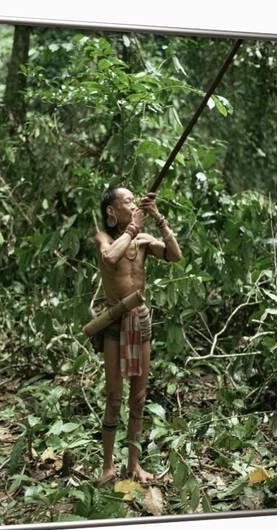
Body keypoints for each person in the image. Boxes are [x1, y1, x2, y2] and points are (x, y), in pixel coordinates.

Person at [93, 186, 182, 486]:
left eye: (135, 200)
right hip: (115, 324)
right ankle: (107, 467)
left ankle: (134, 464)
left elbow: (175, 255)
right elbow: (110, 258)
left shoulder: (142, 240)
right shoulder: (103, 238)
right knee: (114, 396)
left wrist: (158, 218)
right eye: (127, 201)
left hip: (140, 321)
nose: (133, 204)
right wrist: (134, 227)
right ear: (111, 211)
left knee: (139, 398)